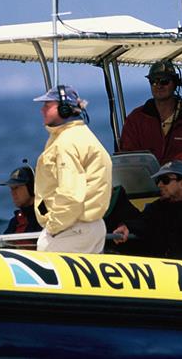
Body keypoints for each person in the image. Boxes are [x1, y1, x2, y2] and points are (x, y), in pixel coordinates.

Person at [33, 85, 112, 254]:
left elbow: (70, 194)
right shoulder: (81, 135)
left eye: (47, 105)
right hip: (91, 227)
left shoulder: (66, 143)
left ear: (63, 109)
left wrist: (53, 226)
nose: (42, 110)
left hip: (71, 229)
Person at [120, 60, 182, 187]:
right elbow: (127, 157)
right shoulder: (135, 120)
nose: (158, 85)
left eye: (164, 81)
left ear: (175, 84)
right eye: (154, 81)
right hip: (146, 191)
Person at [1, 161, 42, 236]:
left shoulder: (44, 216)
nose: (13, 193)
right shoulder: (16, 220)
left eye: (16, 187)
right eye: (11, 188)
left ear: (32, 188)